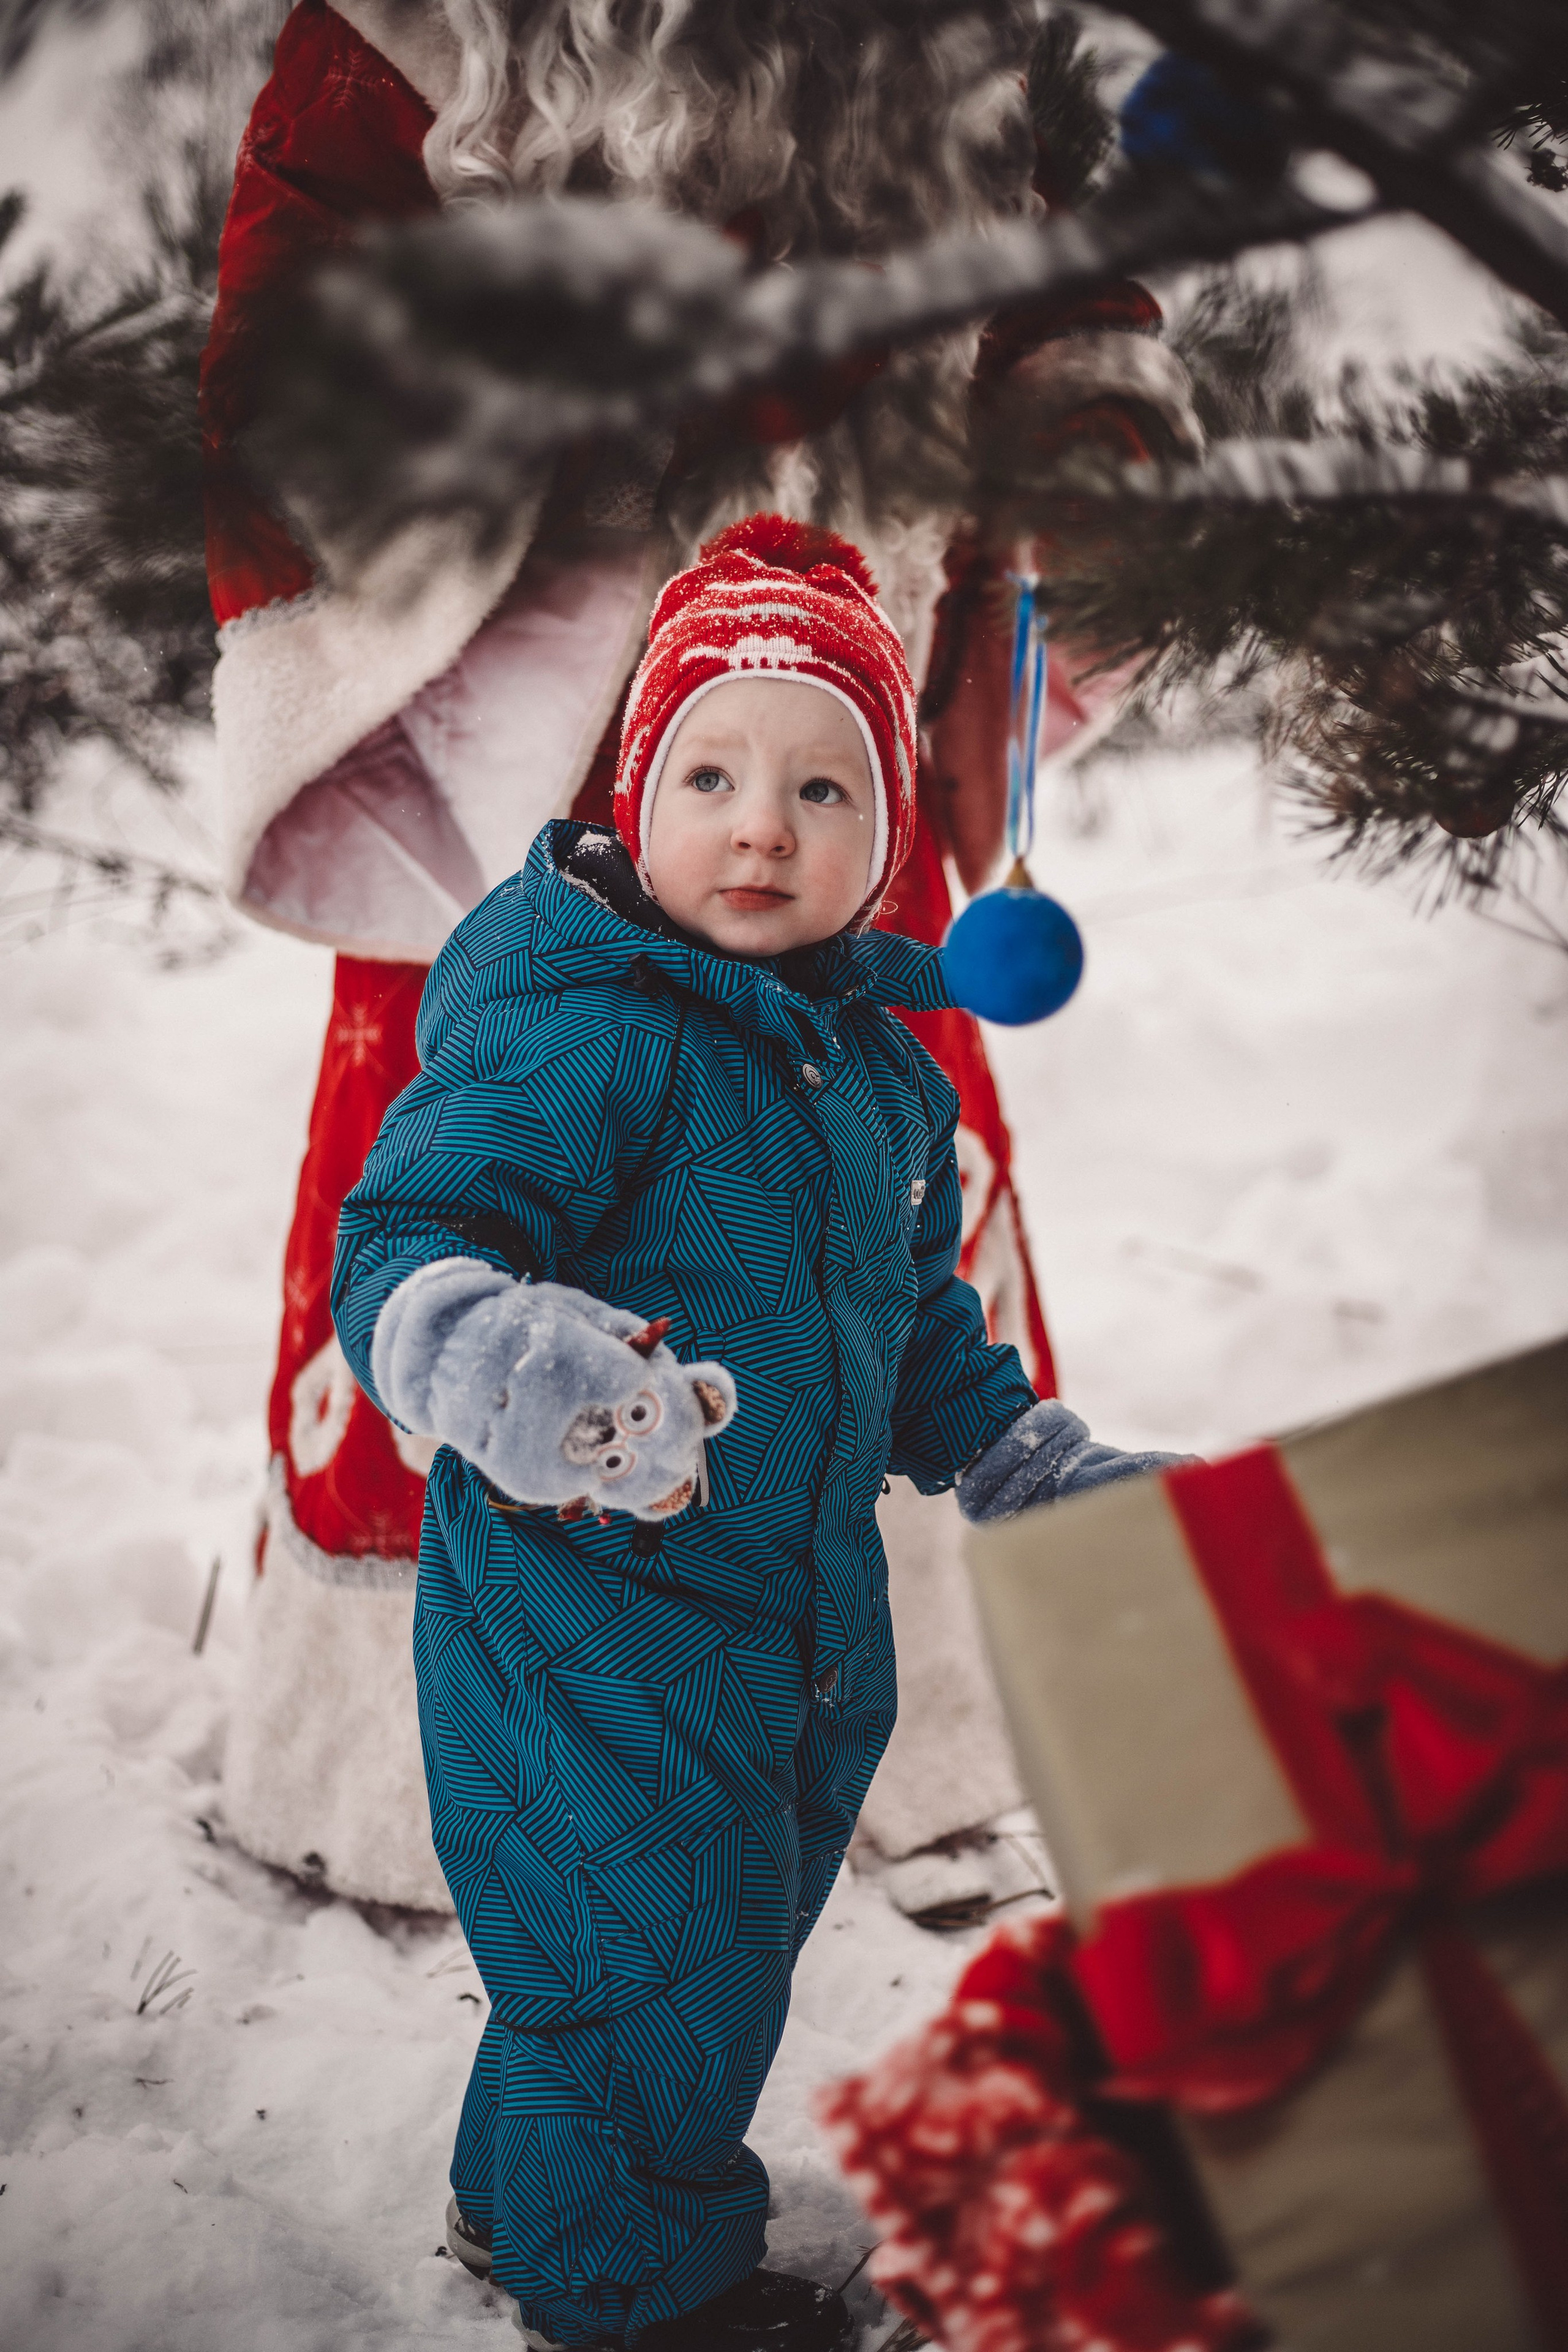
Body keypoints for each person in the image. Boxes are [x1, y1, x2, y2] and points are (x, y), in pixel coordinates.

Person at [205, 0, 1200, 1910]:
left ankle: (912, 1749)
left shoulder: (969, 34)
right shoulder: (409, 31)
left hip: (844, 722)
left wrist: (1088, 452)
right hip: (527, 764)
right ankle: (434, 1785)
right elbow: (286, 354)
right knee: (496, 1184)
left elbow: (1074, 296)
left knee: (865, 1200)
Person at [331, 516, 1179, 2352]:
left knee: (675, 1948)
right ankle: (629, 2291)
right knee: (653, 1952)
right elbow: (415, 1233)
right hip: (590, 1611)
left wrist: (1023, 1455)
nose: (761, 824)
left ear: (884, 844)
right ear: (638, 793)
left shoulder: (877, 1073)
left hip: (781, 1625)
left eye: (823, 785)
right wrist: (494, 1350)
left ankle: (527, 2185)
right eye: (708, 770)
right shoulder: (589, 1037)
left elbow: (910, 1330)